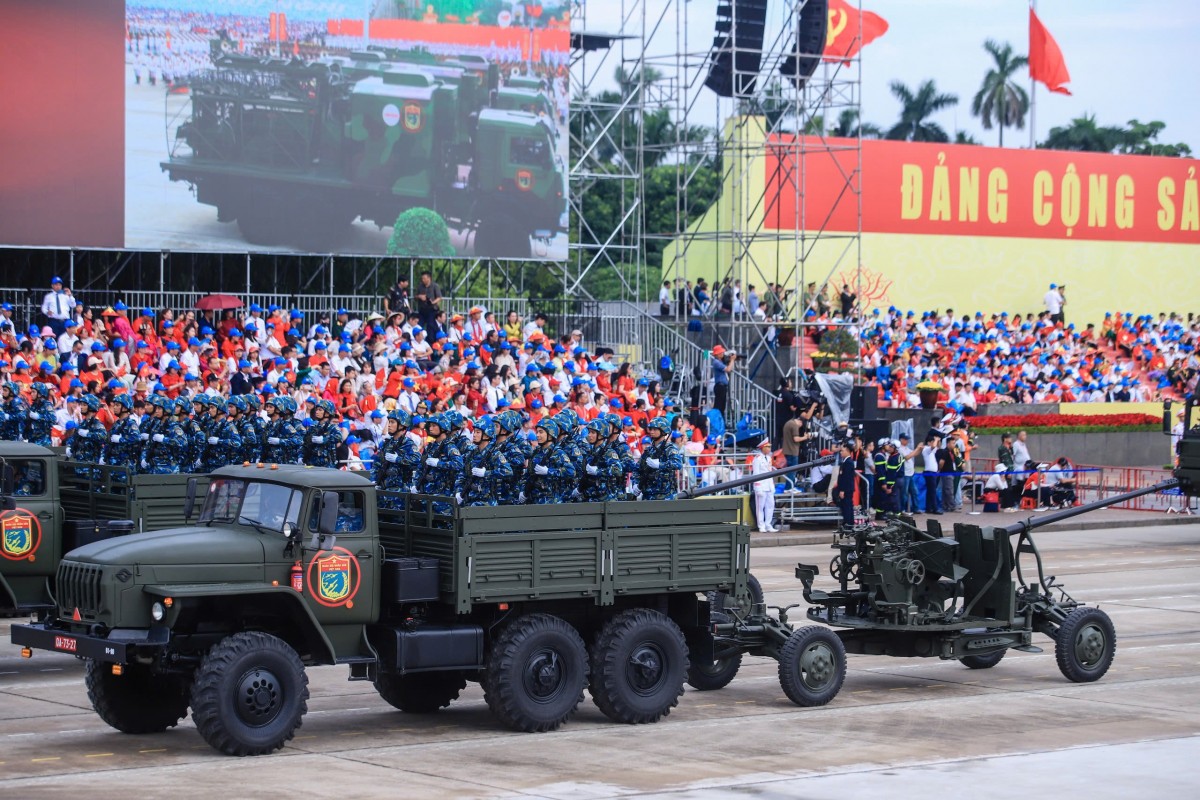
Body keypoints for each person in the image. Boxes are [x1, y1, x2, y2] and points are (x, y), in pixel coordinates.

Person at [526, 417, 575, 504]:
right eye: (537, 432)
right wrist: (524, 491)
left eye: (541, 432)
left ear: (550, 434)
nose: (537, 435)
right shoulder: (536, 452)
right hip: (534, 499)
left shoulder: (557, 452)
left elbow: (571, 471)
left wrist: (549, 471)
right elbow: (529, 473)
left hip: (551, 500)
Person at [638, 417, 683, 500]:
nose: (651, 431)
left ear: (663, 431)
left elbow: (678, 464)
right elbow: (638, 467)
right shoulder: (648, 450)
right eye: (650, 429)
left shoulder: (670, 448)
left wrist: (660, 465)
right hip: (648, 494)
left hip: (665, 495)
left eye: (655, 429)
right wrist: (636, 483)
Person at [750, 438, 778, 532]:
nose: (770, 448)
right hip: (761, 485)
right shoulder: (757, 459)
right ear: (763, 448)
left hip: (769, 485)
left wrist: (772, 486)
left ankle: (768, 524)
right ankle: (761, 525)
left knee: (770, 506)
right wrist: (758, 488)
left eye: (770, 446)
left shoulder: (769, 458)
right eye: (768, 447)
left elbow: (769, 472)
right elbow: (756, 474)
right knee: (760, 507)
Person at [833, 440, 857, 530]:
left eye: (842, 451)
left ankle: (848, 523)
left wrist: (842, 490)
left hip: (846, 489)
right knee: (847, 506)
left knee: (847, 506)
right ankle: (848, 522)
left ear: (847, 451)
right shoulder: (846, 462)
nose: (841, 452)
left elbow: (846, 477)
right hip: (846, 488)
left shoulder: (848, 462)